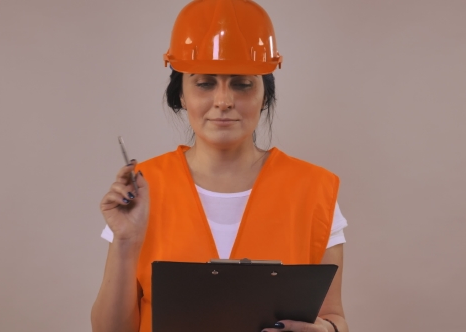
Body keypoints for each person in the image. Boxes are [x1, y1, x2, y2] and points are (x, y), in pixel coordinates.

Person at [91, 0, 349, 331]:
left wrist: (325, 330)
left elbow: (335, 318)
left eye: (242, 83)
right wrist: (125, 242)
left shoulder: (314, 190)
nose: (224, 101)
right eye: (205, 83)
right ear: (181, 94)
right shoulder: (142, 192)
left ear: (264, 96)